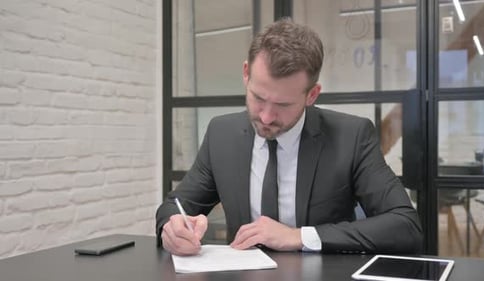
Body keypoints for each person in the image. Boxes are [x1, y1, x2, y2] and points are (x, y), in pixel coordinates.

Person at [156, 18, 423, 256]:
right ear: (246, 73)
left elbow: (405, 225)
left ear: (312, 95)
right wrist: (172, 228)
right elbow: (174, 205)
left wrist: (298, 236)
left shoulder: (350, 137)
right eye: (258, 98)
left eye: (283, 105)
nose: (267, 117)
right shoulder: (221, 134)